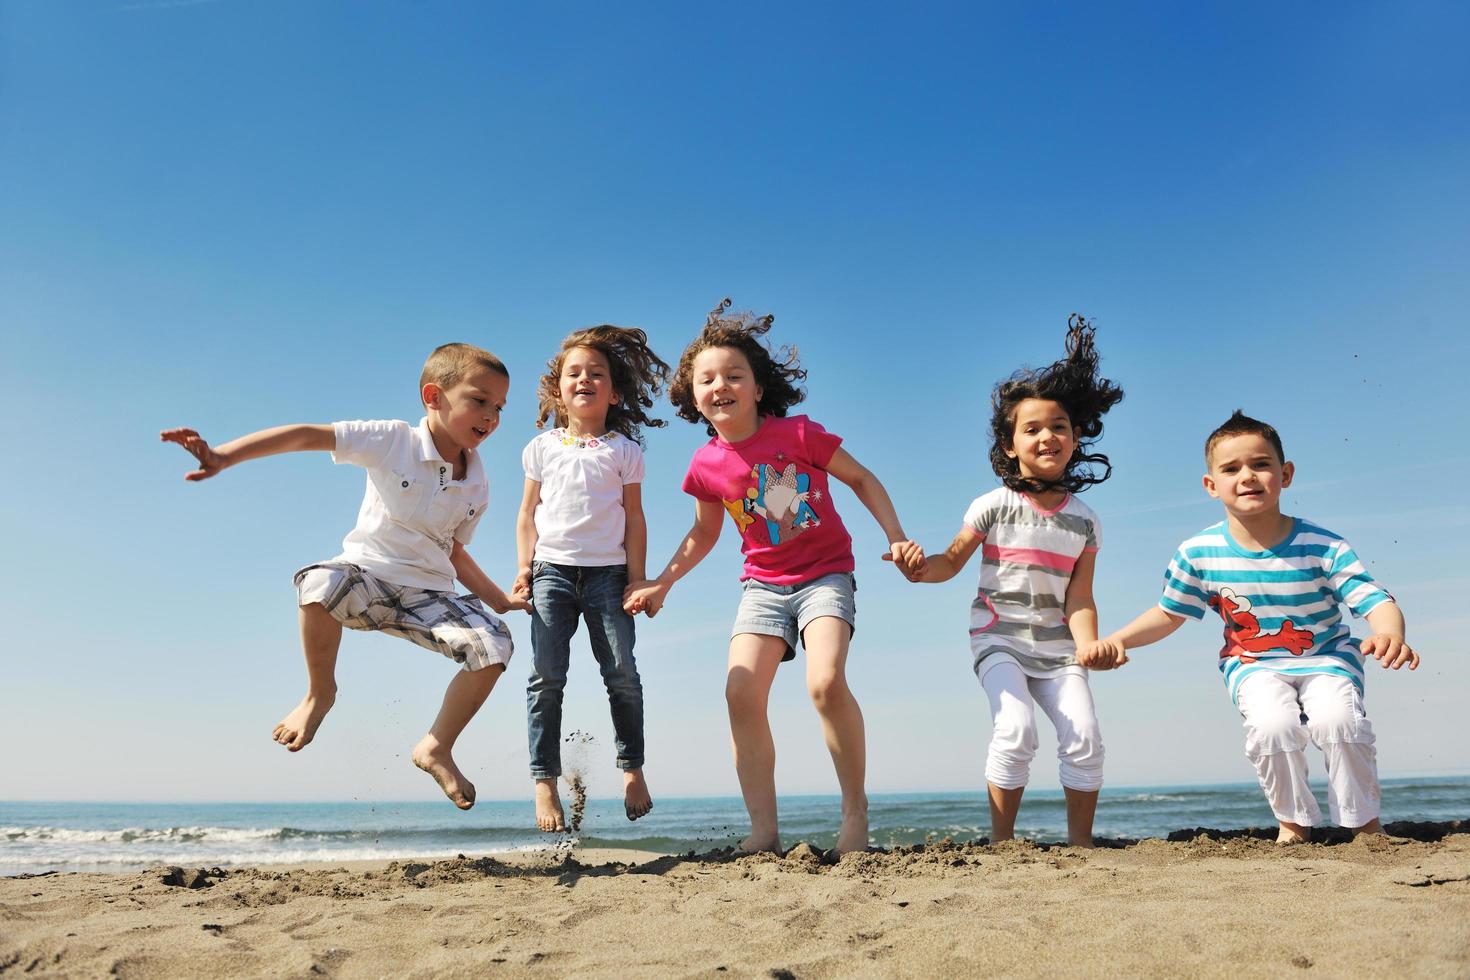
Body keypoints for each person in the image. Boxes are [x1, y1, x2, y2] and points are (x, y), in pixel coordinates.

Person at [159, 342, 527, 810]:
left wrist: (497, 600)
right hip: (366, 578)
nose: (491, 416)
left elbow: (454, 550)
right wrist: (224, 456)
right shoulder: (393, 440)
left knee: (494, 645)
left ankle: (436, 746)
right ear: (433, 396)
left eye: (499, 407)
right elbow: (305, 435)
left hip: (428, 594)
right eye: (479, 400)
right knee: (317, 581)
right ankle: (320, 694)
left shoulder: (477, 482)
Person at [622, 299, 916, 857]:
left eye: (734, 374)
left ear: (758, 388)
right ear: (693, 396)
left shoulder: (799, 434)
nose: (720, 385)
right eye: (706, 379)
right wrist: (662, 581)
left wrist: (895, 536)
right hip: (762, 586)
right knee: (740, 692)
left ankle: (855, 813)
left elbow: (863, 479)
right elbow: (704, 534)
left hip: (827, 575)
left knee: (824, 684)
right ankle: (765, 833)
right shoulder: (704, 466)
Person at [1098, 410, 1419, 842]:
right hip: (1252, 662)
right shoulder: (1199, 552)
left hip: (1327, 658)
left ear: (1284, 475)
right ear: (1211, 485)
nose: (1247, 476)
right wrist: (1118, 640)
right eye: (1231, 469)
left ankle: (1363, 824)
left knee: (1338, 720)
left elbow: (1373, 599)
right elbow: (1169, 612)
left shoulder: (1322, 545)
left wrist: (1390, 633)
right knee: (1273, 726)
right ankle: (1294, 824)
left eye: (1260, 464)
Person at [890, 315, 1126, 847]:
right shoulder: (993, 505)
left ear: (1076, 437)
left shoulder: (1086, 521)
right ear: (1010, 442)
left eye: (1059, 426)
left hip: (1059, 648)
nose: (1048, 436)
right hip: (998, 639)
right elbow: (949, 562)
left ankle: (1081, 845)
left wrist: (1089, 645)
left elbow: (1080, 596)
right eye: (1033, 428)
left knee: (1084, 736)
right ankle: (1002, 844)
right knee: (1016, 728)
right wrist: (917, 566)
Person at [513, 326, 670, 831]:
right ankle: (544, 782)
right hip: (551, 573)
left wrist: (639, 579)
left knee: (622, 673)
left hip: (609, 576)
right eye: (574, 373)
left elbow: (636, 518)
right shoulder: (541, 448)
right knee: (546, 677)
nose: (584, 379)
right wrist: (523, 568)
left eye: (596, 374)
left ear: (614, 391)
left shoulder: (624, 451)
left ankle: (633, 771)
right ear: (558, 388)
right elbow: (526, 514)